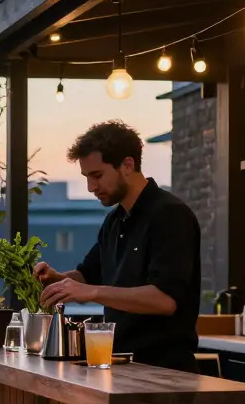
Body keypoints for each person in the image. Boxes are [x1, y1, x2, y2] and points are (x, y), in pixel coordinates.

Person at [34, 120, 201, 372]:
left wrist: (91, 292)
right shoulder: (114, 220)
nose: (91, 187)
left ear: (127, 164)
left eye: (97, 176)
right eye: (87, 178)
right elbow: (87, 276)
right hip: (120, 365)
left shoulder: (170, 215)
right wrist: (58, 281)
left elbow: (164, 300)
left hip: (164, 371)